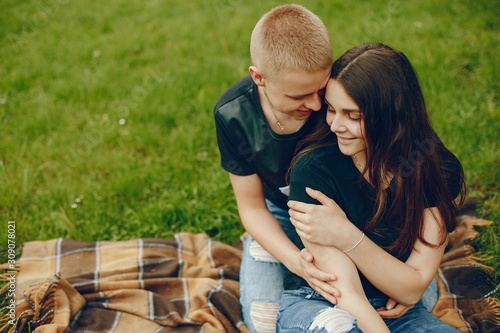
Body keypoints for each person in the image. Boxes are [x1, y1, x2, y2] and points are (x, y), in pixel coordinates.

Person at [277, 43, 465, 332]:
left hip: (398, 310)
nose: (336, 125)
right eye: (331, 109)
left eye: (353, 116)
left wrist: (346, 235)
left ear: (393, 115)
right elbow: (347, 294)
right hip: (323, 303)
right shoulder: (314, 171)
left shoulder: (436, 170)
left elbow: (412, 288)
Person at [213, 4, 339, 332]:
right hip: (279, 213)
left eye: (320, 91)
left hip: (345, 209)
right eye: (299, 95)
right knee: (263, 320)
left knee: (407, 305)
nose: (315, 105)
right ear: (259, 78)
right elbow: (252, 207)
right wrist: (294, 259)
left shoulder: (343, 90)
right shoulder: (233, 115)